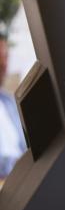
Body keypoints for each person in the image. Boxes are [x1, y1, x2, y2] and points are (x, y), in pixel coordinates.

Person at [0, 39, 25, 178]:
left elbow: (24, 148)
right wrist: (16, 164)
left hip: (22, 179)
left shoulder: (9, 101)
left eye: (5, 56)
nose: (4, 64)